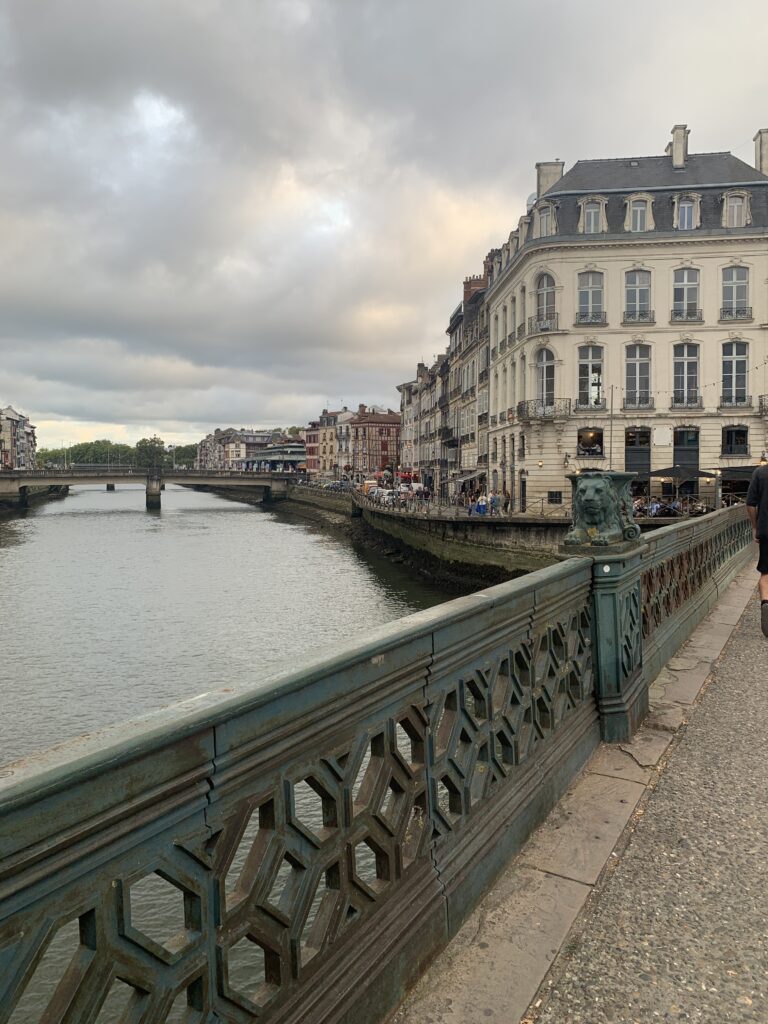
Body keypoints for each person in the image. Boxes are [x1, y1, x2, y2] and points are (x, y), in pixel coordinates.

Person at [745, 462, 768, 637]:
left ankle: (765, 602)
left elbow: (751, 503)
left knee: (766, 574)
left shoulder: (760, 473)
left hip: (765, 529)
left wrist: (755, 527)